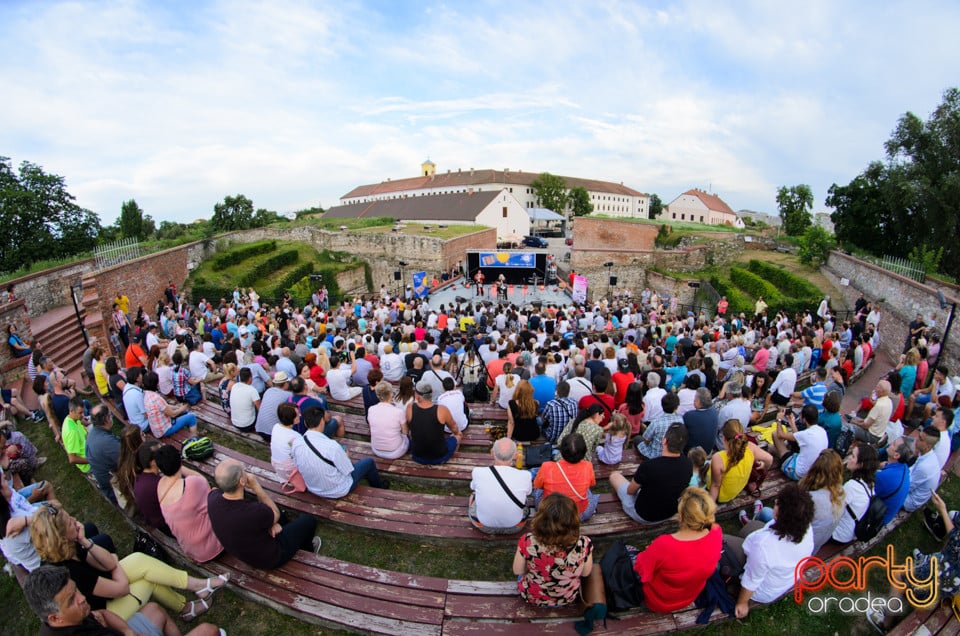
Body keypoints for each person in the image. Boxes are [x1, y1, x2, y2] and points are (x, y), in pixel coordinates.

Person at [29, 503, 227, 622]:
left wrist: (85, 541)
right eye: (68, 521)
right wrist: (115, 565)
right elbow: (120, 588)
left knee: (139, 560)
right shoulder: (68, 571)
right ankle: (189, 603)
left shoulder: (71, 545)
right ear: (61, 536)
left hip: (108, 585)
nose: (74, 520)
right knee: (148, 578)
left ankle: (198, 589)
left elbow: (106, 564)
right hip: (105, 612)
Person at [23, 565, 222, 636]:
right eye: (71, 600)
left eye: (76, 591)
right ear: (55, 618)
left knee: (154, 609)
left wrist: (128, 632)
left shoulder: (65, 620)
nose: (82, 598)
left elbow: (103, 614)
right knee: (209, 631)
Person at [620, 487, 723, 613]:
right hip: (688, 597)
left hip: (657, 601)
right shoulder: (716, 531)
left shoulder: (665, 544)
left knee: (625, 551)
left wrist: (650, 552)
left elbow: (641, 571)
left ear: (680, 516)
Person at [207, 458, 319, 570]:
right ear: (242, 481)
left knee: (279, 514)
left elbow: (215, 491)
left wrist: (271, 523)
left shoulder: (212, 499)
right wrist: (256, 486)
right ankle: (308, 550)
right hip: (270, 558)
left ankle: (284, 532)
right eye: (244, 471)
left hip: (245, 549)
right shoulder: (254, 511)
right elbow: (274, 513)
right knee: (308, 520)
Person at [724, 483, 814, 619]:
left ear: (780, 515)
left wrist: (742, 603)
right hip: (781, 574)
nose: (775, 501)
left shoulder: (765, 547)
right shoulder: (806, 528)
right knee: (752, 526)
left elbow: (752, 580)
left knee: (720, 539)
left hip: (761, 588)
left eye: (779, 503)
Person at [513, 493, 603, 611]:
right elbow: (585, 573)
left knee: (521, 575)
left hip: (532, 596)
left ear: (540, 518)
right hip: (566, 597)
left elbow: (517, 570)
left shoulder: (527, 541)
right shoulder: (584, 544)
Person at [293, 405, 387, 498]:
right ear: (322, 421)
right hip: (338, 490)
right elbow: (348, 470)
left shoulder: (296, 443)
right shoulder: (332, 446)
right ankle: (379, 487)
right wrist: (346, 456)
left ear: (305, 423)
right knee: (369, 462)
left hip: (313, 488)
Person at [610, 423, 692, 524]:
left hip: (643, 515)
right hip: (670, 513)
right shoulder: (688, 464)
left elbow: (630, 491)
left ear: (664, 441)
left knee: (614, 476)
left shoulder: (649, 466)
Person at [469, 438, 533, 534]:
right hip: (516, 526)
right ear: (516, 456)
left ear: (492, 452)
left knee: (473, 495)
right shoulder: (525, 475)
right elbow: (529, 492)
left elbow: (472, 487)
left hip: (483, 525)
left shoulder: (478, 472)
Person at [532, 434, 599, 522]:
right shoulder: (588, 466)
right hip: (577, 515)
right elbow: (592, 483)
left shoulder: (547, 467)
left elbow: (537, 485)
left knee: (538, 491)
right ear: (584, 452)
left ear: (561, 451)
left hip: (549, 514)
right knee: (589, 491)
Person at [707, 419, 772, 503]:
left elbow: (715, 486)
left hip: (722, 496)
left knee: (705, 465)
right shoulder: (751, 447)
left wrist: (710, 508)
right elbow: (769, 459)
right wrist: (764, 466)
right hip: (737, 488)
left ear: (723, 438)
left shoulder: (718, 458)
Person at [796, 449, 846, 554]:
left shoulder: (811, 499)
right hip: (814, 548)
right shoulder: (841, 494)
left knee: (765, 512)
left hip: (797, 549)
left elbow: (786, 522)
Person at [832, 442, 880, 543]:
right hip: (850, 532)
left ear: (860, 464)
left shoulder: (852, 486)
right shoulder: (870, 483)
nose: (849, 458)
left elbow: (833, 510)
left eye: (853, 456)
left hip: (838, 534)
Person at [407, 381, 461, 465]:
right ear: (431, 394)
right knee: (458, 435)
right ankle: (454, 459)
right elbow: (455, 429)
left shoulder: (410, 408)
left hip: (416, 455)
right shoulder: (442, 409)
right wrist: (457, 434)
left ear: (417, 396)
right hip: (439, 457)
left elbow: (409, 429)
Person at [772, 405, 828, 481]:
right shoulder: (822, 431)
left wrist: (778, 420)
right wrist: (792, 423)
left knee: (775, 434)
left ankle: (780, 456)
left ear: (804, 420)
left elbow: (779, 435)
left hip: (797, 473)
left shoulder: (806, 434)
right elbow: (800, 439)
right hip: (813, 472)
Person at [142, 372, 198, 439]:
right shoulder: (156, 398)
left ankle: (190, 430)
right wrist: (182, 408)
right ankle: (195, 439)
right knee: (191, 417)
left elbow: (164, 407)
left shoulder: (146, 395)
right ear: (156, 383)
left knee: (183, 413)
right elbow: (173, 414)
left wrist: (176, 407)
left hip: (156, 430)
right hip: (165, 430)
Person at [84, 405, 120, 506]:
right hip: (115, 489)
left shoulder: (93, 433)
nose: (111, 416)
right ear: (106, 419)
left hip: (105, 482)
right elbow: (127, 460)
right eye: (110, 415)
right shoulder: (107, 443)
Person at [367, 381, 410, 459]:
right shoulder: (398, 412)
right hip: (395, 452)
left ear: (377, 395)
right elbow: (405, 432)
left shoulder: (371, 409)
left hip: (376, 449)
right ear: (391, 394)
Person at [875, 436, 912, 525]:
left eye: (893, 444)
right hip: (887, 514)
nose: (890, 444)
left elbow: (867, 493)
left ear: (896, 455)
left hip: (876, 518)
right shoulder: (904, 467)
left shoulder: (884, 476)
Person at [903, 426, 941, 512]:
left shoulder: (925, 467)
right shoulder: (927, 455)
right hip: (909, 489)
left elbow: (907, 487)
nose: (916, 439)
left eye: (920, 439)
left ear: (928, 446)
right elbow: (911, 470)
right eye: (919, 436)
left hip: (909, 501)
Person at [637, 392, 683, 460]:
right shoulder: (681, 421)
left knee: (637, 439)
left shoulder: (656, 422)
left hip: (655, 456)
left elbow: (646, 440)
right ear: (676, 407)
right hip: (673, 453)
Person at [683, 387, 718, 453]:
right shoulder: (714, 411)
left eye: (695, 399)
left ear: (698, 402)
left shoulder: (690, 416)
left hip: (692, 453)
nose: (693, 400)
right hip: (708, 450)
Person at [61, 397, 90, 475]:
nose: (83, 415)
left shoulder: (71, 419)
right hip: (89, 464)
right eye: (80, 413)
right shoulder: (72, 432)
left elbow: (84, 433)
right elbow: (72, 459)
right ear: (71, 411)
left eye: (83, 412)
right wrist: (92, 460)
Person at [229, 367, 261, 432]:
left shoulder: (235, 386)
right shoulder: (252, 390)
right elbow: (259, 408)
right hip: (248, 424)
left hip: (235, 422)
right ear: (250, 378)